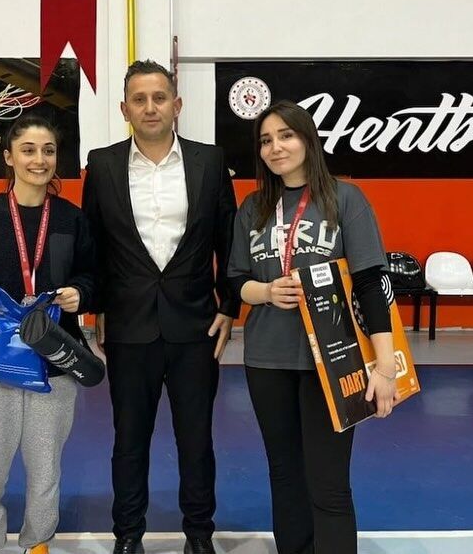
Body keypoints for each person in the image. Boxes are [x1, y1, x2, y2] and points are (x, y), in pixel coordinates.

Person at [227, 100, 399, 554]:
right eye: (266, 140)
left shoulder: (345, 199)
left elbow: (371, 284)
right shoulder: (253, 207)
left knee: (328, 482)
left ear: (307, 139)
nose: (275, 147)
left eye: (286, 135)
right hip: (267, 360)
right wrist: (266, 292)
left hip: (334, 361)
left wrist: (385, 368)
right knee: (285, 477)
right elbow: (236, 280)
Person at [82, 60, 239, 554]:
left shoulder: (210, 162)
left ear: (177, 104)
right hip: (129, 327)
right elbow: (94, 246)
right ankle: (128, 535)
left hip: (196, 325)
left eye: (159, 97)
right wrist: (98, 308)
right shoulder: (102, 165)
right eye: (139, 99)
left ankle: (200, 536)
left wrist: (230, 305)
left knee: (197, 440)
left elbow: (229, 239)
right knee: (129, 441)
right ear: (124, 109)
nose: (150, 107)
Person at [0, 114, 94, 554]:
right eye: (28, 150)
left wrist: (81, 293)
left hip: (54, 362)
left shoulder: (71, 219)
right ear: (9, 157)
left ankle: (38, 541)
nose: (39, 160)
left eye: (48, 151)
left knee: (46, 467)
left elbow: (92, 275)